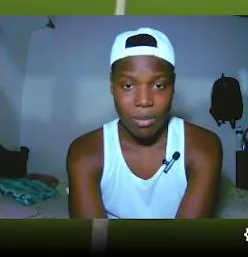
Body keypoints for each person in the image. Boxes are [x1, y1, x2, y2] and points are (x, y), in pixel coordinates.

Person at [66, 27, 222, 219]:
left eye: (159, 85)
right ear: (112, 85)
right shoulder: (86, 153)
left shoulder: (203, 148)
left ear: (173, 85)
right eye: (128, 86)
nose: (144, 101)